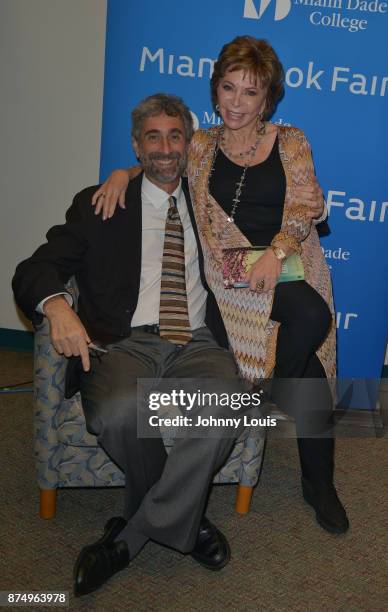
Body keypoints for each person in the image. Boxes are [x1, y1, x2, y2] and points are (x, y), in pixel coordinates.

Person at [94, 37, 348, 536]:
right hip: (226, 274)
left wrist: (277, 254)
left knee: (314, 321)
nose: (236, 101)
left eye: (249, 92)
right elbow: (158, 163)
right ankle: (310, 469)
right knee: (311, 367)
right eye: (228, 88)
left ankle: (306, 461)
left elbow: (303, 208)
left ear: (266, 99)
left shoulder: (290, 139)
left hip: (281, 261)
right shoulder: (203, 144)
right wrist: (121, 173)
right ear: (215, 90)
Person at [12, 94, 258, 597]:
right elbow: (34, 269)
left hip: (198, 341)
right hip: (125, 343)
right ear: (136, 145)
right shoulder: (100, 204)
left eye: (175, 136)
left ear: (191, 144)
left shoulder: (212, 202)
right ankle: (187, 525)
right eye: (153, 137)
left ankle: (128, 538)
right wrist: (58, 307)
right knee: (121, 412)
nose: (165, 148)